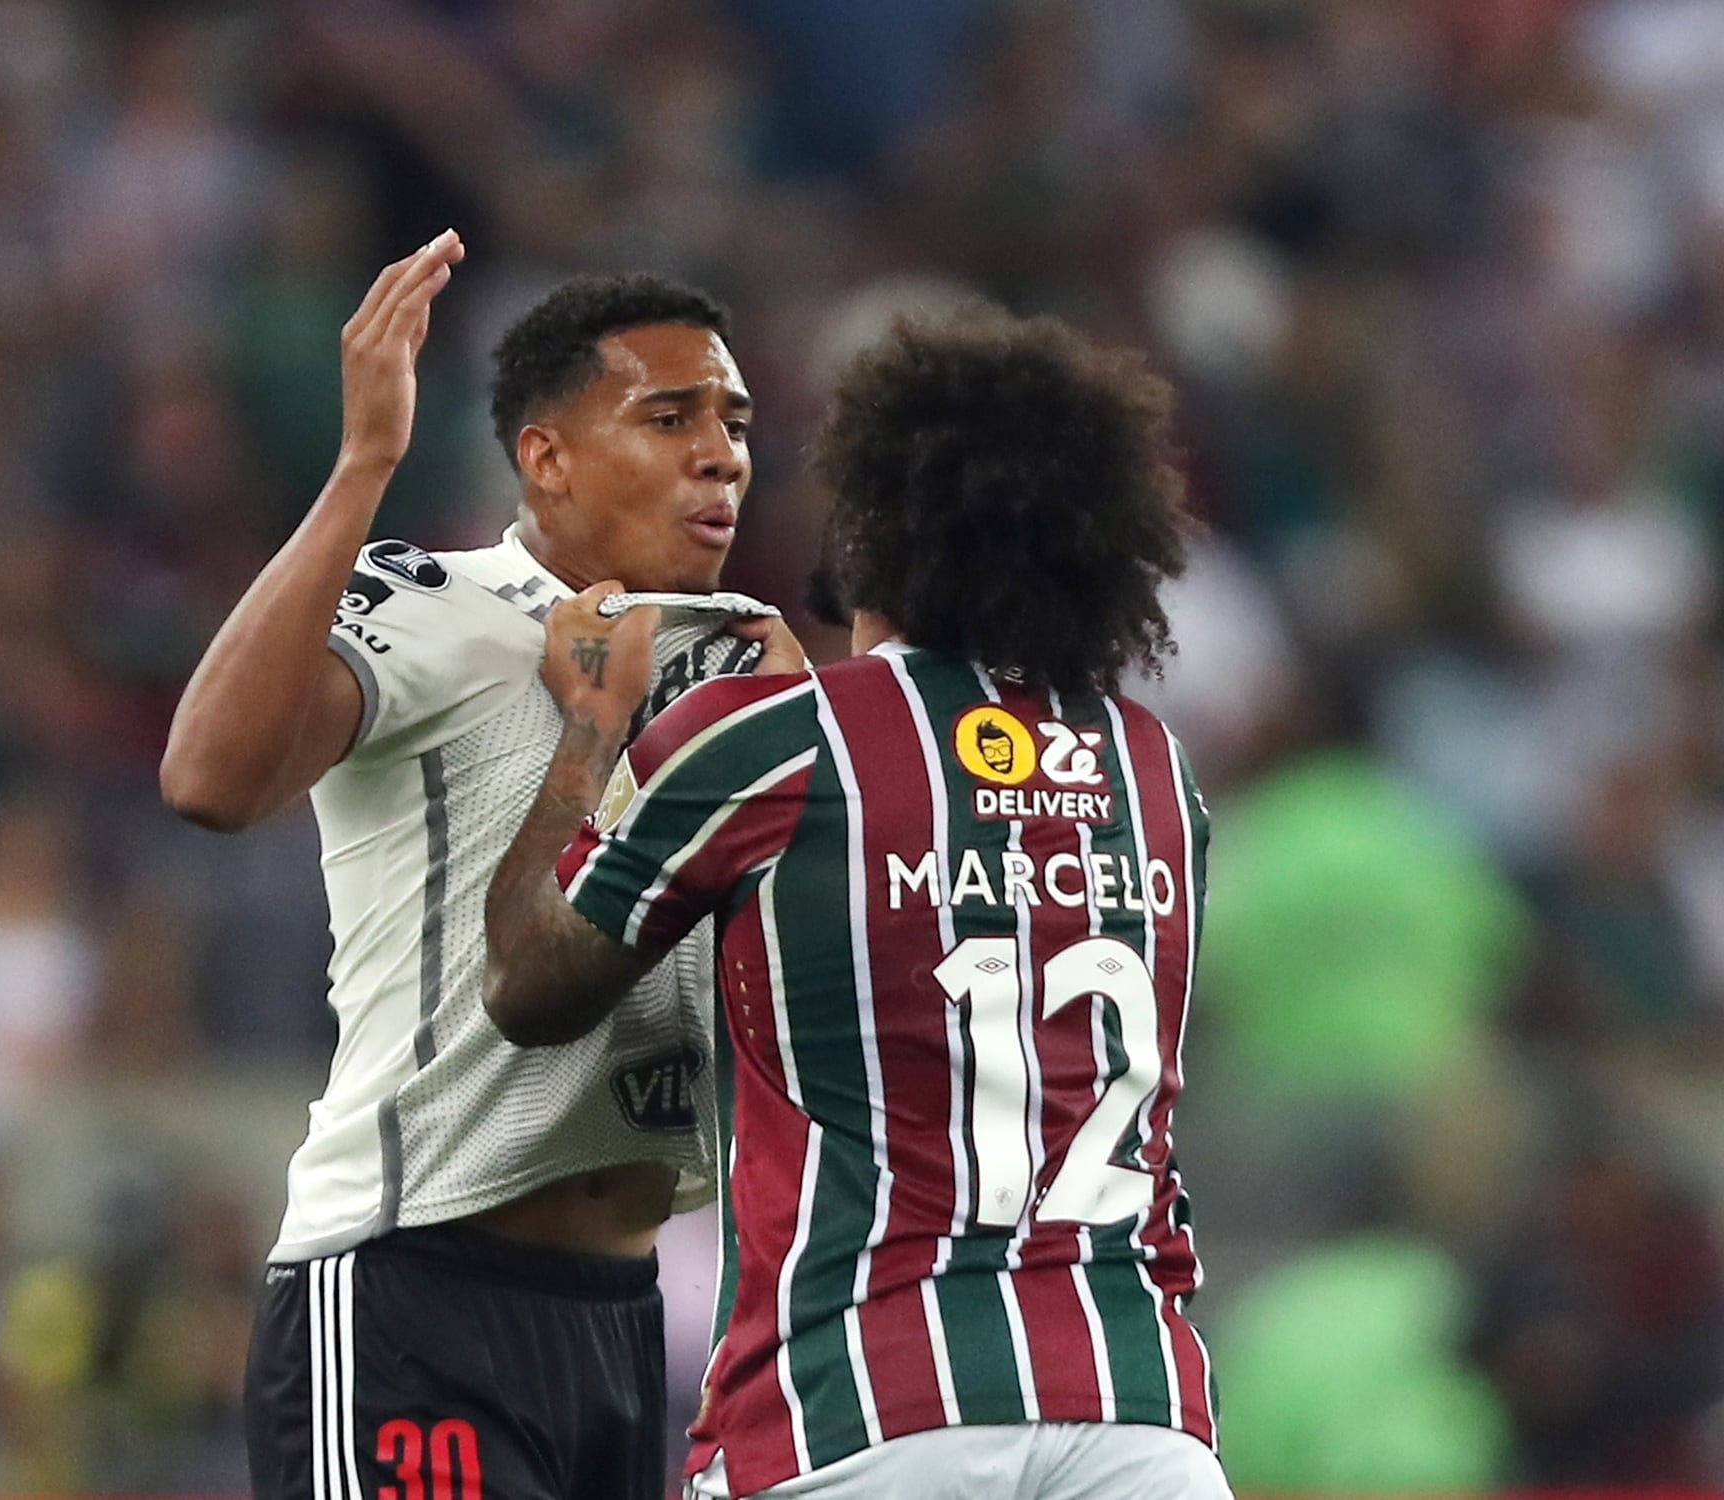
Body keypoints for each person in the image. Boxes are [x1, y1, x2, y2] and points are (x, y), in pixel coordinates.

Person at [484, 312, 1233, 1499]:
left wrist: (585, 729)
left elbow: (528, 985)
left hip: (862, 1402)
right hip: (1138, 1412)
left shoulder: (778, 743)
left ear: (875, 527)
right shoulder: (1154, 772)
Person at [161, 230, 770, 1500]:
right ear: (543, 457)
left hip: (623, 1314)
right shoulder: (430, 597)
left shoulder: (748, 665)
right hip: (405, 1287)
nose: (720, 453)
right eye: (668, 417)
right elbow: (208, 780)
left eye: (732, 418)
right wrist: (362, 465)